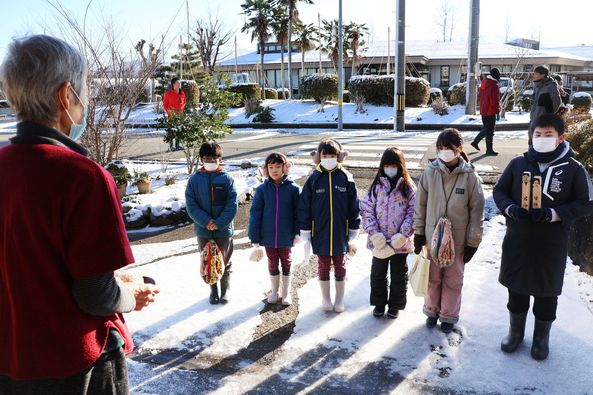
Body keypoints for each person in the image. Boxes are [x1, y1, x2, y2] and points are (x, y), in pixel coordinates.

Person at [0, 35, 159, 394]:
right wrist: (131, 295)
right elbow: (95, 292)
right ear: (65, 96)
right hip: (74, 366)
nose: (88, 102)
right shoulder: (82, 176)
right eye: (86, 92)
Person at [493, 114, 593, 360]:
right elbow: (500, 190)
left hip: (551, 243)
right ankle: (515, 333)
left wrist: (553, 214)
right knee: (516, 291)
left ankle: (541, 338)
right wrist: (510, 209)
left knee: (546, 295)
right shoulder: (518, 163)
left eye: (548, 135)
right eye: (537, 134)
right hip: (518, 239)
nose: (541, 139)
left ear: (560, 138)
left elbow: (585, 202)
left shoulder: (573, 169)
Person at [413, 128, 485, 333]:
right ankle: (431, 311)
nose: (444, 152)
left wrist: (473, 242)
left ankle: (448, 316)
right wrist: (419, 233)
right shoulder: (430, 172)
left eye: (448, 148)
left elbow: (476, 213)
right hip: (432, 238)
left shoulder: (470, 177)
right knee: (433, 278)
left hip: (458, 240)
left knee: (453, 279)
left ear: (459, 149)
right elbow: (420, 206)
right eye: (440, 148)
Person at [298, 138, 361, 313]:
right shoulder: (314, 178)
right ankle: (326, 300)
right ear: (319, 157)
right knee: (323, 265)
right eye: (325, 155)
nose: (328, 158)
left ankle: (339, 300)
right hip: (320, 232)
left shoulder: (346, 177)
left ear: (339, 156)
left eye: (332, 155)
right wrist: (305, 230)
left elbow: (354, 205)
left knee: (340, 265)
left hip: (342, 232)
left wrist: (354, 230)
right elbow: (304, 206)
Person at [360, 147, 417, 319]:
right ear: (382, 166)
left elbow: (413, 213)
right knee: (378, 274)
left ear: (401, 166)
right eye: (387, 165)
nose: (390, 169)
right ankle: (379, 303)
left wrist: (403, 235)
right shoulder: (376, 186)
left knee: (398, 276)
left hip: (400, 243)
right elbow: (367, 210)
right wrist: (374, 233)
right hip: (380, 242)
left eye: (394, 166)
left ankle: (395, 305)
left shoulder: (408, 187)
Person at [185, 142, 238, 305]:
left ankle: (225, 289)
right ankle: (213, 290)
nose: (211, 161)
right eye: (207, 158)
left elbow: (232, 204)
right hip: (203, 230)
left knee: (225, 260)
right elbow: (191, 205)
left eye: (214, 157)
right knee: (208, 260)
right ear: (201, 159)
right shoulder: (194, 180)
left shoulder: (227, 179)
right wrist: (206, 221)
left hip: (223, 230)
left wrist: (219, 223)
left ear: (220, 159)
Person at [249, 152, 301, 305]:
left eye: (278, 166)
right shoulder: (262, 190)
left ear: (285, 168)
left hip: (287, 235)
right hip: (268, 236)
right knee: (272, 262)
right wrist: (255, 238)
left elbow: (300, 212)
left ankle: (285, 293)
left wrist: (298, 232)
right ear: (266, 170)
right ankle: (274, 291)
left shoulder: (293, 189)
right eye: (270, 167)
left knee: (286, 262)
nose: (274, 170)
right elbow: (255, 214)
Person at [471, 67, 501, 156]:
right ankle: (489, 150)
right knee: (490, 131)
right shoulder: (494, 85)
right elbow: (494, 101)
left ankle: (475, 142)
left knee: (486, 129)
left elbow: (481, 97)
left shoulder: (484, 83)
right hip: (490, 111)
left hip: (484, 110)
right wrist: (497, 111)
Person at [529, 66, 562, 145]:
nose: (533, 75)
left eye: (535, 73)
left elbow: (557, 102)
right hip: (534, 119)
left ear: (543, 75)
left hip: (544, 121)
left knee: (541, 144)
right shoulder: (537, 86)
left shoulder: (551, 86)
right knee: (532, 142)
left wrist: (548, 114)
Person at [162, 77, 186, 151]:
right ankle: (171, 146)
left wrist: (181, 111)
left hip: (180, 115)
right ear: (173, 84)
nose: (179, 84)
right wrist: (169, 112)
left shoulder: (182, 93)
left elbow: (184, 102)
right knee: (171, 131)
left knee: (179, 131)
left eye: (179, 83)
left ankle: (178, 145)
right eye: (177, 83)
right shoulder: (168, 94)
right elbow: (165, 104)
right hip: (171, 115)